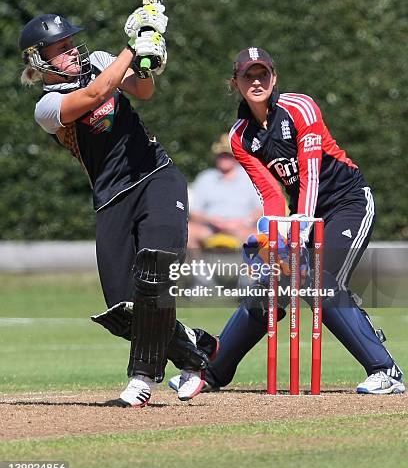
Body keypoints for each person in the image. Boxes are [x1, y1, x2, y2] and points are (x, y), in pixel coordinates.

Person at [170, 46, 405, 397]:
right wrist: (275, 231)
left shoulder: (299, 107)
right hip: (302, 214)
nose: (256, 81)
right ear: (235, 83)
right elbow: (272, 194)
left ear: (274, 77)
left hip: (348, 203)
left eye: (263, 74)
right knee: (269, 286)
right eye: (248, 75)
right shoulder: (239, 137)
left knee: (319, 283)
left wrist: (304, 221)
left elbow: (310, 171)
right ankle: (213, 372)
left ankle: (385, 370)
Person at [19, 6, 218, 406]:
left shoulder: (99, 62)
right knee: (121, 308)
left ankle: (142, 379)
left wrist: (148, 58)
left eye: (72, 43)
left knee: (154, 275)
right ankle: (194, 347)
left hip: (157, 177)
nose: (73, 51)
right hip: (112, 197)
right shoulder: (47, 108)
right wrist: (133, 45)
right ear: (40, 60)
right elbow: (95, 95)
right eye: (61, 48)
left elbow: (142, 90)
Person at [188, 133, 262, 249]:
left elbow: (261, 210)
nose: (224, 159)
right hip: (210, 229)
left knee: (261, 237)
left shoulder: (250, 177)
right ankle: (197, 266)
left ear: (236, 156)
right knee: (187, 231)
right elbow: (194, 212)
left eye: (228, 155)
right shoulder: (205, 177)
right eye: (221, 156)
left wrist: (243, 222)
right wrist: (211, 220)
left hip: (242, 228)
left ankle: (250, 267)